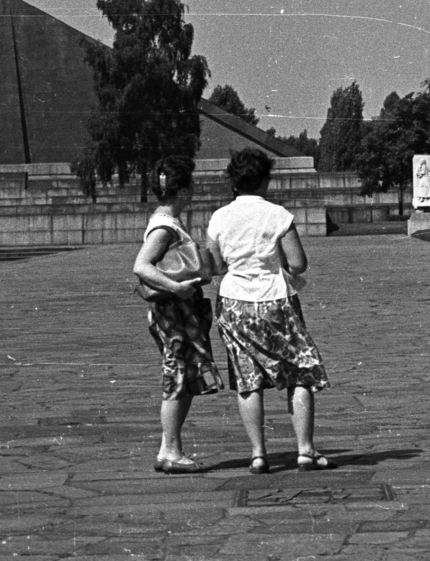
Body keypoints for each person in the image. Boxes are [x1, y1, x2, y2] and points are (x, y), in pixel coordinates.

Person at [209, 148, 334, 474]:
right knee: (300, 371)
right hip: (276, 299)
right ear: (265, 180)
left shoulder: (220, 217)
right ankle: (305, 450)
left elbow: (215, 264)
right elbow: (298, 263)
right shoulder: (278, 215)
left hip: (235, 302)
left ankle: (258, 454)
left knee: (247, 379)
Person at [131, 156, 221, 474]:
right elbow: (141, 266)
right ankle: (170, 450)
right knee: (177, 378)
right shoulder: (165, 226)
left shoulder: (168, 222)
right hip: (174, 312)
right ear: (182, 190)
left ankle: (170, 447)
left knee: (184, 378)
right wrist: (176, 287)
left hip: (180, 312)